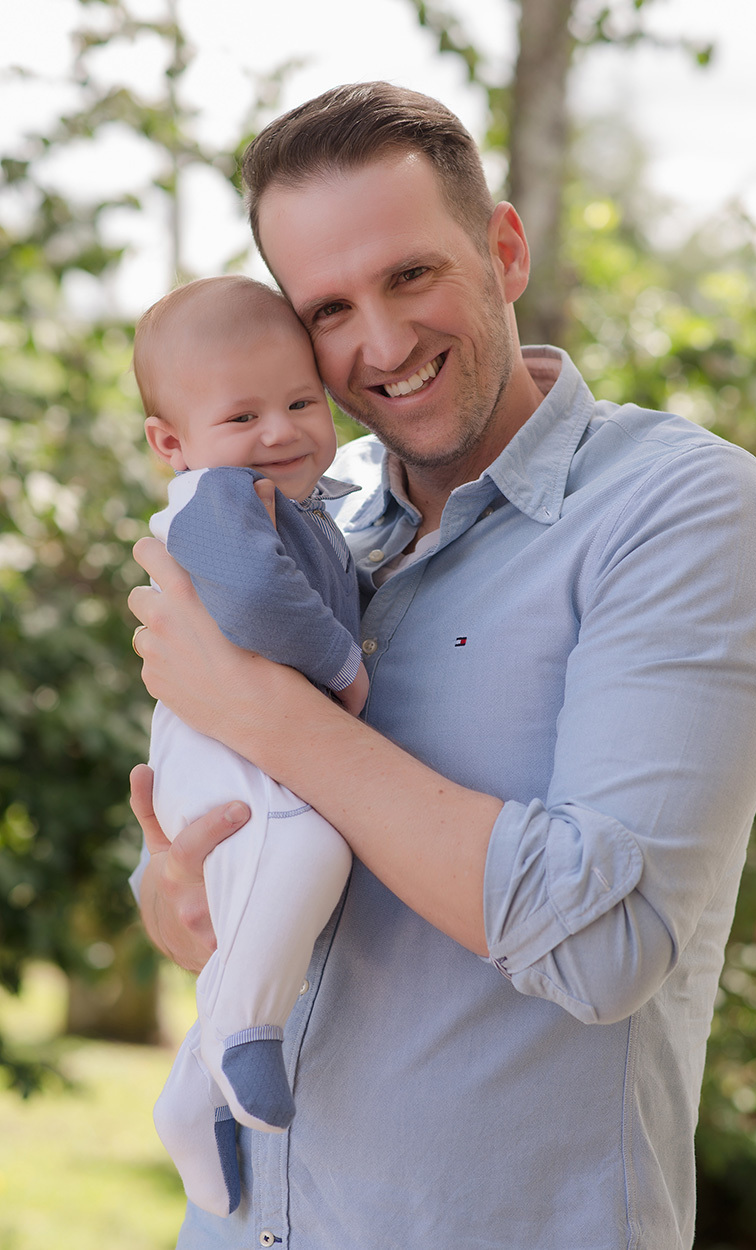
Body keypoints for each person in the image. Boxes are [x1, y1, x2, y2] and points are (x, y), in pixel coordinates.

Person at [128, 82, 756, 1249]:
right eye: (328, 307)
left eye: (410, 275)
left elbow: (604, 946)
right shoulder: (317, 529)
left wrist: (271, 715)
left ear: (503, 247)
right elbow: (205, 870)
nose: (381, 344)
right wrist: (175, 893)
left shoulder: (677, 507)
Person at [131, 275, 366, 1218]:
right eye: (243, 414)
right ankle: (241, 1030)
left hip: (240, 751)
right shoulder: (218, 500)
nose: (281, 430)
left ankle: (193, 1096)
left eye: (302, 401)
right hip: (222, 759)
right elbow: (262, 604)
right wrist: (346, 670)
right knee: (312, 845)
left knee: (286, 875)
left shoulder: (292, 503)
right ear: (172, 442)